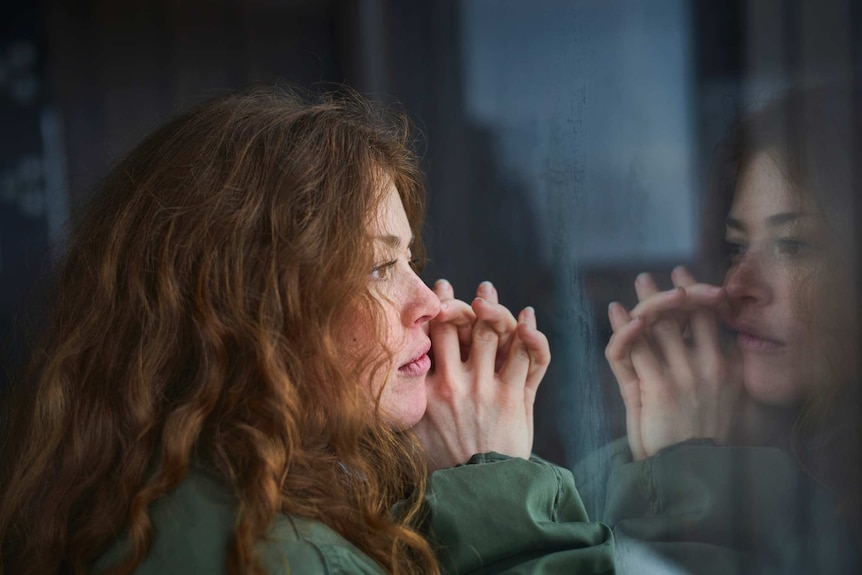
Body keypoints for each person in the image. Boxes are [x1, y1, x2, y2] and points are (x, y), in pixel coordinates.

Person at [0, 86, 615, 574]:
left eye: (411, 263)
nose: (429, 302)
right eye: (378, 267)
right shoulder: (269, 552)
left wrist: (444, 486)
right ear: (252, 309)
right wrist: (501, 493)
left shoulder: (189, 494)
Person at [588, 82, 862, 574]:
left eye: (793, 246)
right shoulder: (754, 437)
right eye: (737, 248)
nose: (738, 284)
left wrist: (687, 468)